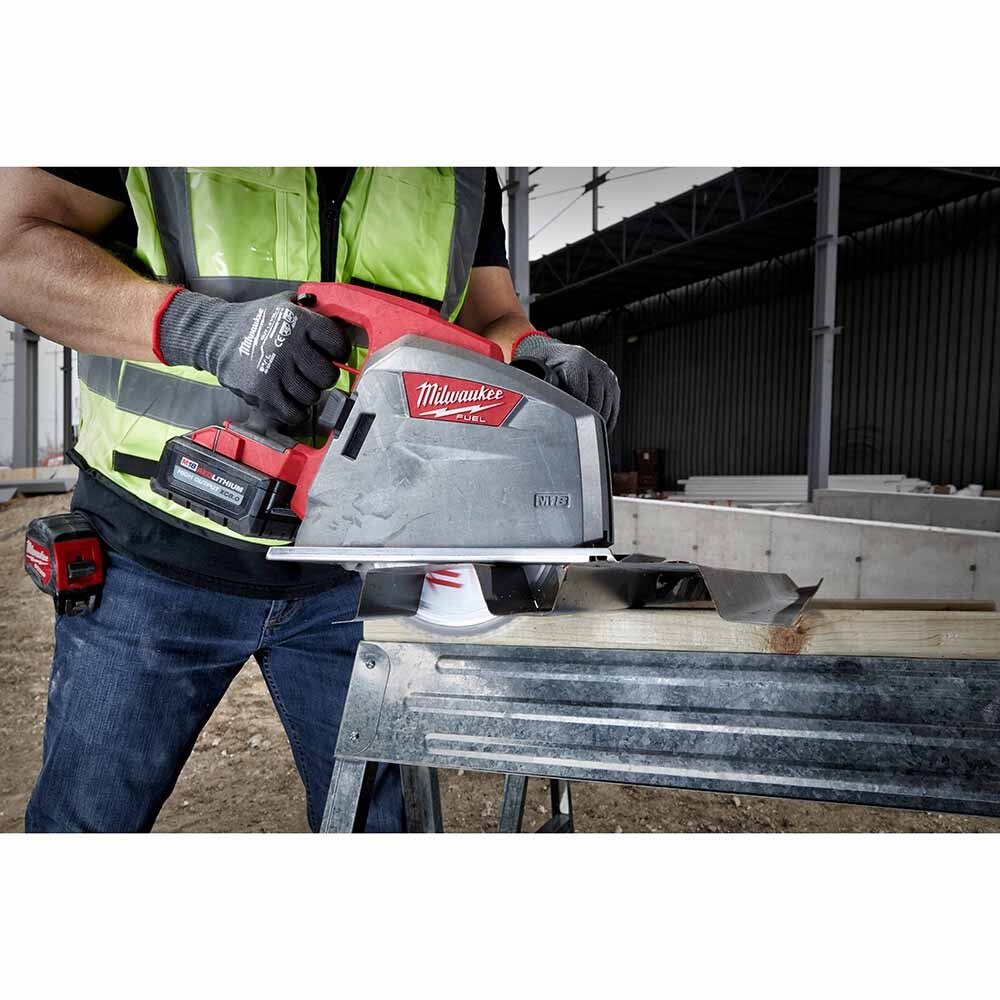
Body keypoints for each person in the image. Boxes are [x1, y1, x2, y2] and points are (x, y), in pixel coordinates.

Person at [0, 167, 620, 833]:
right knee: (85, 826)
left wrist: (532, 356)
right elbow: (13, 248)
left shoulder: (462, 164)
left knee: (383, 832)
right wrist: (202, 329)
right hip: (152, 553)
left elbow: (488, 316)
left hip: (360, 565)